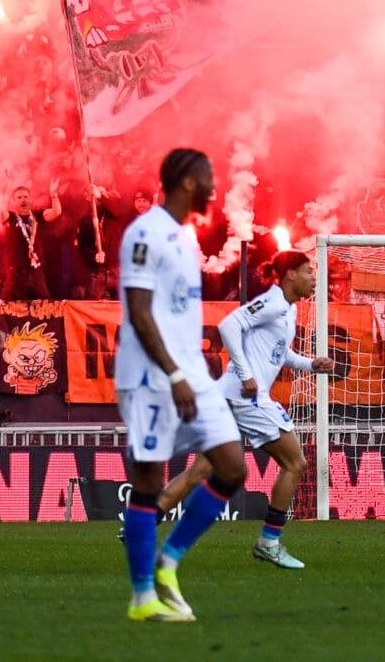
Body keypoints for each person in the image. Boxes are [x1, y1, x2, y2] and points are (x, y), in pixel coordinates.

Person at [114, 147, 244, 624]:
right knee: (149, 480)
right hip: (151, 377)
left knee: (231, 467)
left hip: (190, 373)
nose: (215, 187)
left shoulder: (185, 237)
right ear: (188, 181)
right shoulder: (144, 233)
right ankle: (142, 596)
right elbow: (140, 312)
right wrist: (171, 373)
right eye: (209, 178)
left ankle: (169, 561)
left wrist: (189, 371)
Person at [157, 248, 340, 570]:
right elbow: (229, 325)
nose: (315, 277)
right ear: (290, 275)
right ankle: (269, 542)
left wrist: (312, 364)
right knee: (295, 463)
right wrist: (246, 374)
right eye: (309, 271)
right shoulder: (272, 302)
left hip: (228, 398)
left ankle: (142, 522)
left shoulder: (287, 309)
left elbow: (279, 355)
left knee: (200, 472)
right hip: (246, 398)